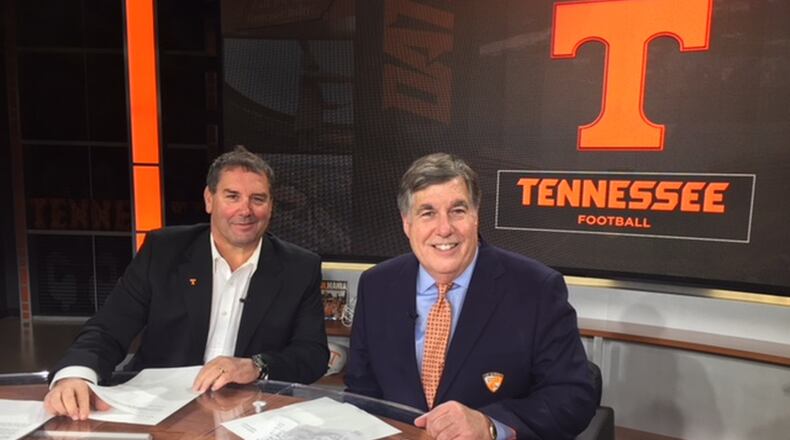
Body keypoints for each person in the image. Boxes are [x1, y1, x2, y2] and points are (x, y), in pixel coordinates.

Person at [44, 146, 329, 420]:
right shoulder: (164, 250)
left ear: (270, 206)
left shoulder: (299, 267)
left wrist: (256, 365)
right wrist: (76, 374)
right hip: (158, 406)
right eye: (232, 196)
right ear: (209, 199)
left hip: (248, 412)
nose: (245, 210)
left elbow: (312, 354)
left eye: (258, 199)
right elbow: (108, 328)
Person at [345, 153, 596, 439]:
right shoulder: (376, 285)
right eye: (428, 213)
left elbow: (573, 397)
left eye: (457, 211)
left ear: (476, 215)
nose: (444, 229)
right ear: (406, 223)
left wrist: (490, 424)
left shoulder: (536, 288)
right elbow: (361, 391)